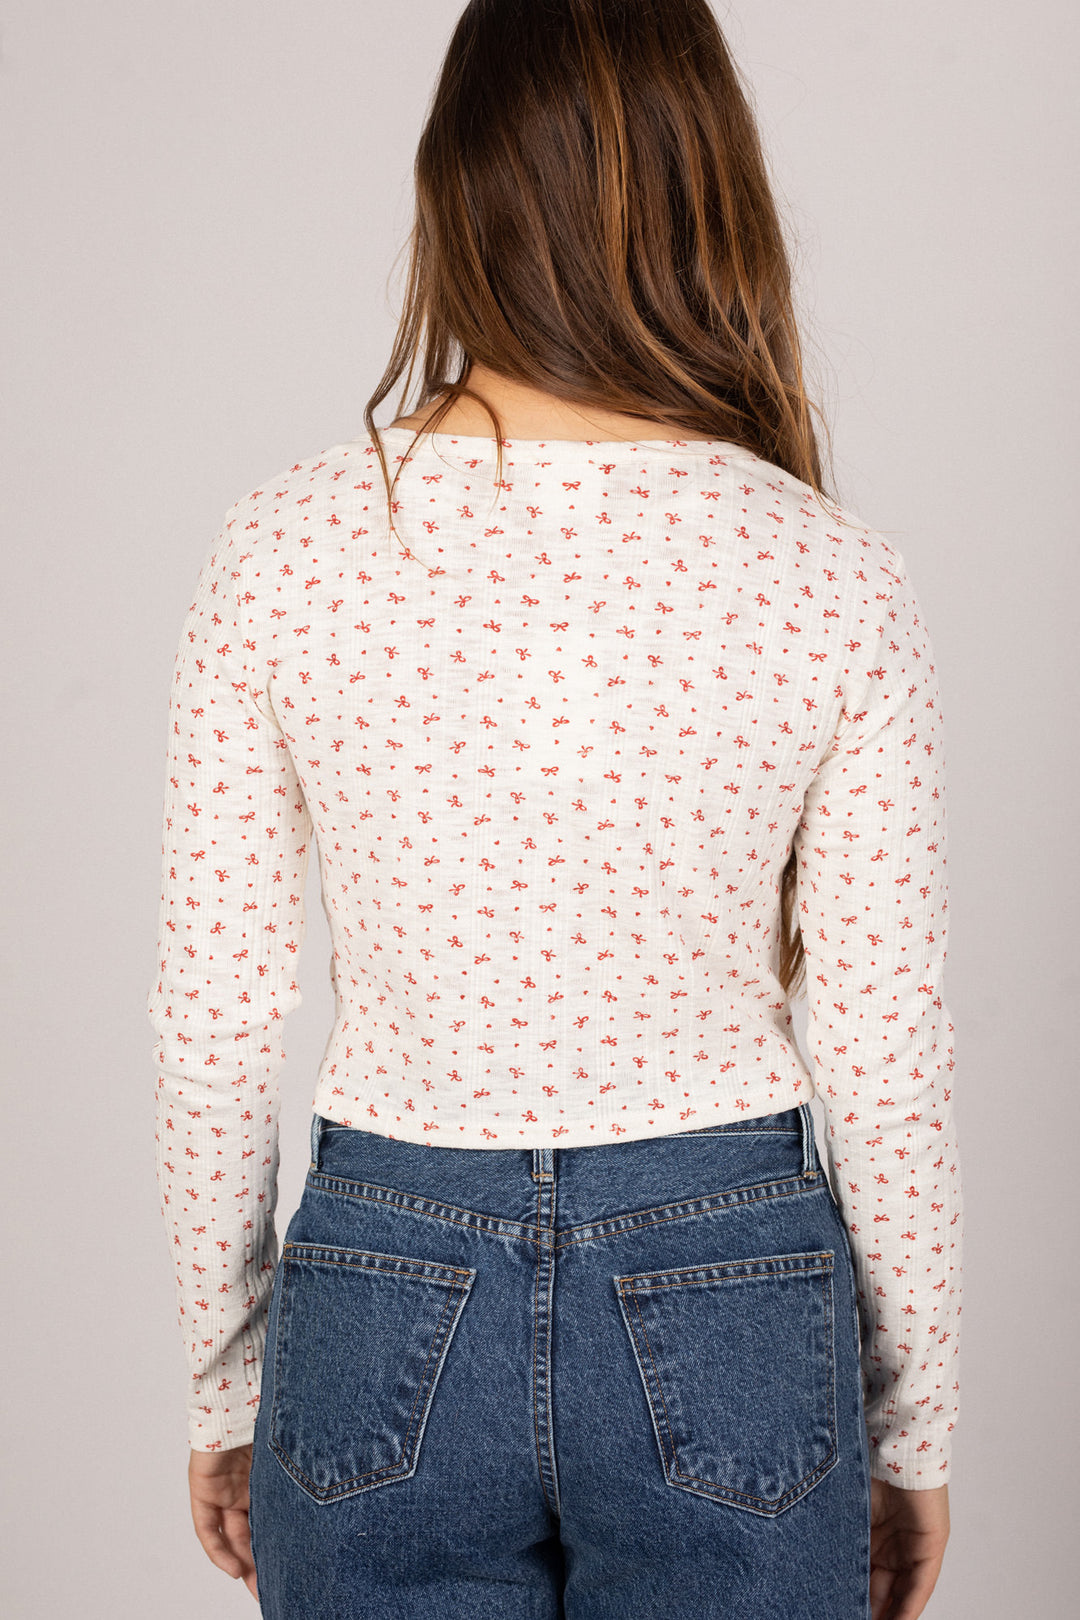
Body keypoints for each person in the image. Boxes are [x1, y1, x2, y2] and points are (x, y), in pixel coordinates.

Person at [149, 3, 962, 1616]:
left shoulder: (287, 546)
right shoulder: (826, 572)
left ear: (453, 196)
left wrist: (225, 1383)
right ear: (705, 197)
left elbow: (208, 1024)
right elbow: (887, 1043)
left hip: (384, 1282)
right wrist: (911, 1426)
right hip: (730, 1288)